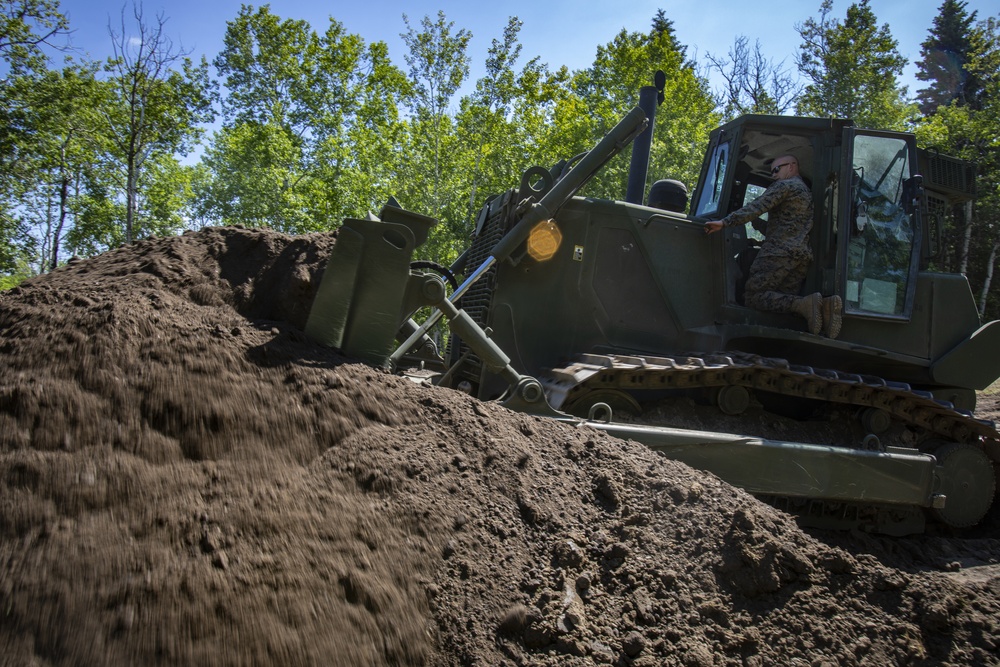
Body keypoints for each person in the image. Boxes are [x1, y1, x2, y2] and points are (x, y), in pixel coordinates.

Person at [703, 155, 842, 338]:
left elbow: (757, 206)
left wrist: (725, 222)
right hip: (800, 257)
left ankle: (805, 304)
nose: (774, 175)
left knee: (754, 297)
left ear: (792, 166)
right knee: (780, 303)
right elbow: (788, 226)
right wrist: (759, 226)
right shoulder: (805, 192)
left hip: (777, 253)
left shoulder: (785, 186)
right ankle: (825, 306)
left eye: (777, 169)